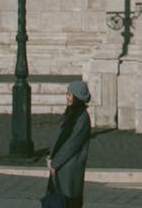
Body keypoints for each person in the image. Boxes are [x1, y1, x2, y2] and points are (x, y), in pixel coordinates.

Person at [46, 79, 92, 207]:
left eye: (69, 94)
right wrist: (50, 156)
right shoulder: (71, 114)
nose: (67, 97)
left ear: (77, 97)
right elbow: (59, 137)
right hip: (60, 166)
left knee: (68, 201)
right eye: (67, 94)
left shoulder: (82, 118)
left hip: (69, 169)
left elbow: (71, 145)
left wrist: (55, 163)